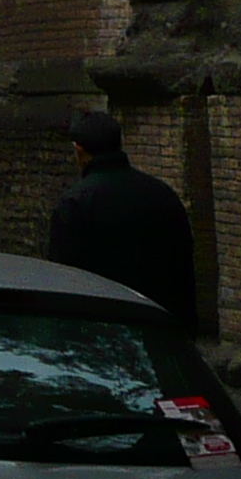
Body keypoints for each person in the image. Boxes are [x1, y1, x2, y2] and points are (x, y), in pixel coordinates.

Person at [46, 109, 199, 329]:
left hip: (105, 331)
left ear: (78, 150)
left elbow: (66, 279)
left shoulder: (75, 204)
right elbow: (183, 268)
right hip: (163, 328)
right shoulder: (163, 194)